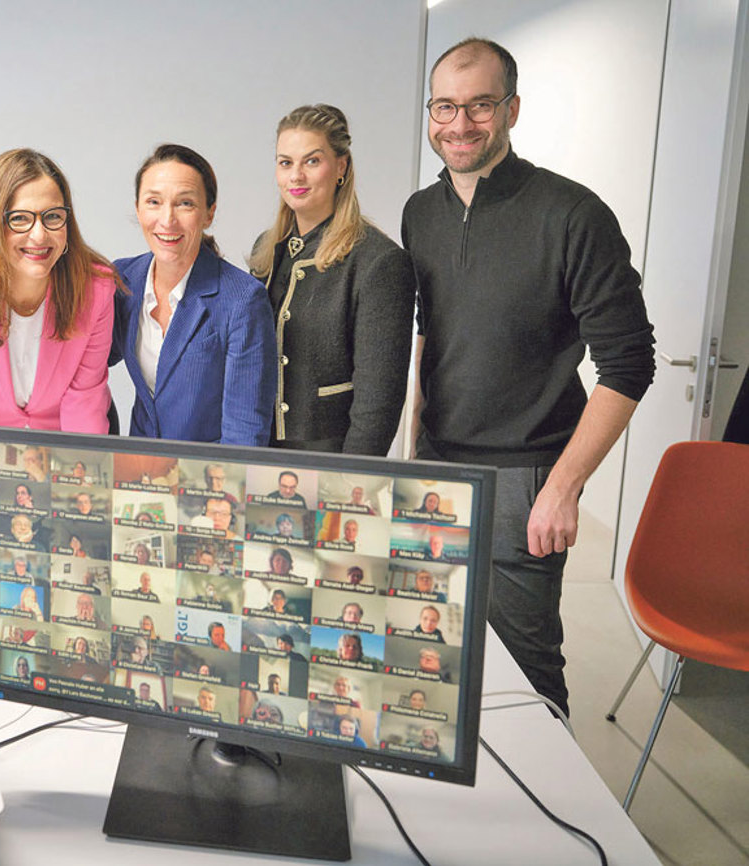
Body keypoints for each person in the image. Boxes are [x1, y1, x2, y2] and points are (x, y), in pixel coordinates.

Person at [405, 38, 655, 717]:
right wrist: (410, 448)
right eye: (446, 107)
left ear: (512, 109)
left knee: (526, 675)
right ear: (430, 113)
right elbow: (430, 333)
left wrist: (565, 487)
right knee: (438, 657)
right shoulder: (419, 214)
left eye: (480, 105)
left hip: (526, 480)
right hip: (436, 469)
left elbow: (630, 363)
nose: (460, 124)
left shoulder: (572, 214)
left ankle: (554, 821)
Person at [0, 149, 116, 532]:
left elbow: (84, 405)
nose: (39, 235)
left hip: (69, 453)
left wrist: (85, 508)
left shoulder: (95, 289)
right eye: (20, 219)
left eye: (53, 217)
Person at [250, 104, 414, 456]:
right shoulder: (267, 250)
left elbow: (379, 403)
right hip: (259, 454)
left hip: (332, 459)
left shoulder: (378, 261)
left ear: (340, 166)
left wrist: (351, 482)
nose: (296, 176)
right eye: (285, 162)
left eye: (311, 161)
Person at [111, 144, 276, 444]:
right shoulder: (123, 281)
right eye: (153, 202)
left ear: (209, 213)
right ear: (137, 207)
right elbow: (79, 367)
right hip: (138, 474)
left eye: (185, 203)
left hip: (207, 479)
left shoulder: (242, 300)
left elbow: (245, 432)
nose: (167, 219)